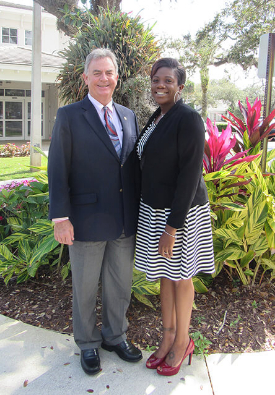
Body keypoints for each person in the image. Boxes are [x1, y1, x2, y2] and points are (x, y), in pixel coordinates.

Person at [48, 48, 142, 375]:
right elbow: (58, 169)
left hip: (123, 221)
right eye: (97, 73)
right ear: (86, 77)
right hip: (86, 220)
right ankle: (88, 344)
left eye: (109, 72)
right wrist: (60, 218)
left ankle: (115, 336)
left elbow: (131, 169)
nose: (104, 78)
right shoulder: (69, 116)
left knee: (119, 286)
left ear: (117, 77)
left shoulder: (128, 117)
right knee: (85, 288)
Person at [134, 58, 215, 377]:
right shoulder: (157, 116)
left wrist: (172, 228)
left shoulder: (189, 118)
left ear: (180, 86)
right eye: (156, 79)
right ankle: (167, 336)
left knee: (182, 277)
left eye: (168, 80)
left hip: (180, 214)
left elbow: (190, 175)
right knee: (165, 275)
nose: (160, 85)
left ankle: (183, 341)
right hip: (154, 210)